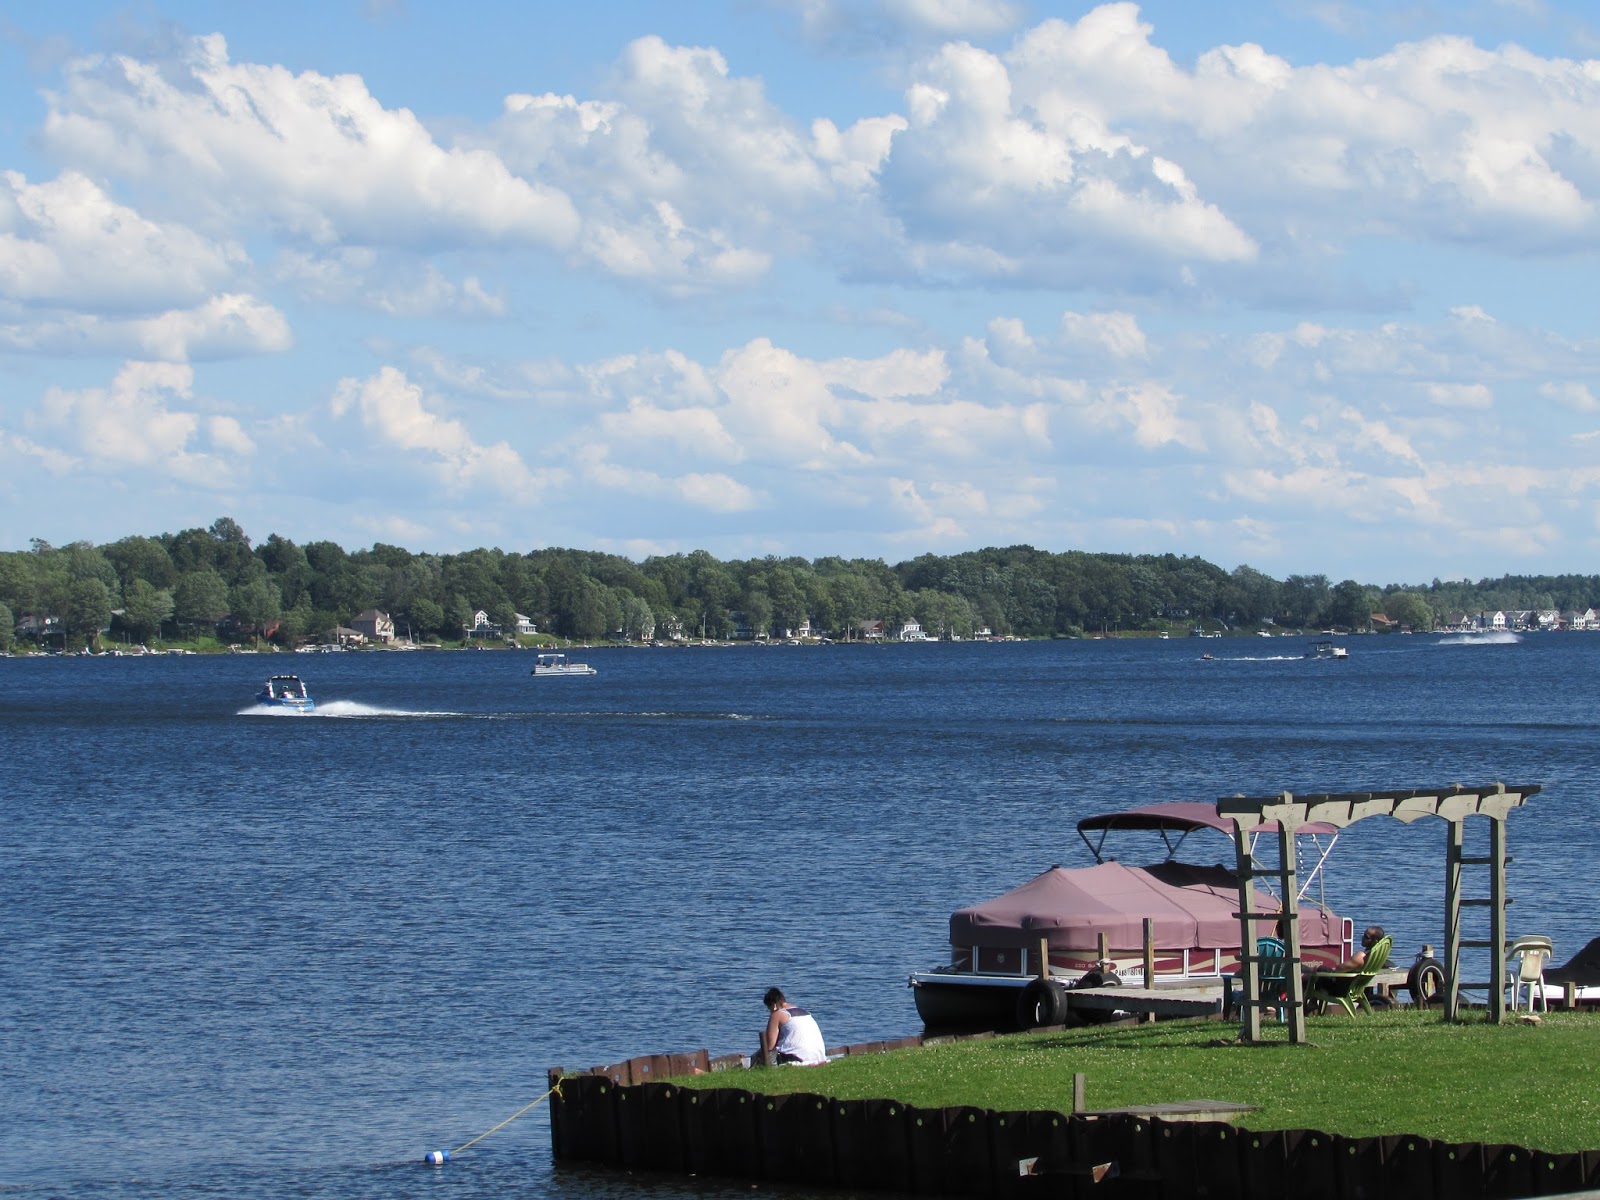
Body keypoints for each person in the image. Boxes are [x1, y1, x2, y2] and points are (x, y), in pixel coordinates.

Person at [755, 987, 828, 1066]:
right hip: (819, 1057)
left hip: (796, 1058)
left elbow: (769, 1047)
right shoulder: (804, 1012)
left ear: (773, 1005)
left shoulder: (777, 1014)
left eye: (769, 1008)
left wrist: (753, 1058)